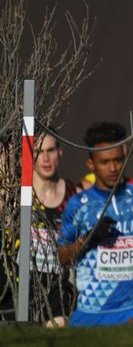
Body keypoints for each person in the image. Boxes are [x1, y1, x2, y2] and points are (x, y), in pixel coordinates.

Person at [56, 122, 133, 326]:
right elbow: (60, 257)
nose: (113, 168)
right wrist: (87, 240)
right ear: (91, 164)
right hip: (91, 308)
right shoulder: (78, 205)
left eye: (118, 160)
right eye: (105, 162)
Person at [0, 131, 79, 325]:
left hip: (57, 282)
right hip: (18, 282)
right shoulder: (15, 195)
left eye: (50, 150)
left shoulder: (75, 194)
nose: (45, 158)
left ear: (59, 152)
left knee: (58, 325)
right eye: (38, 151)